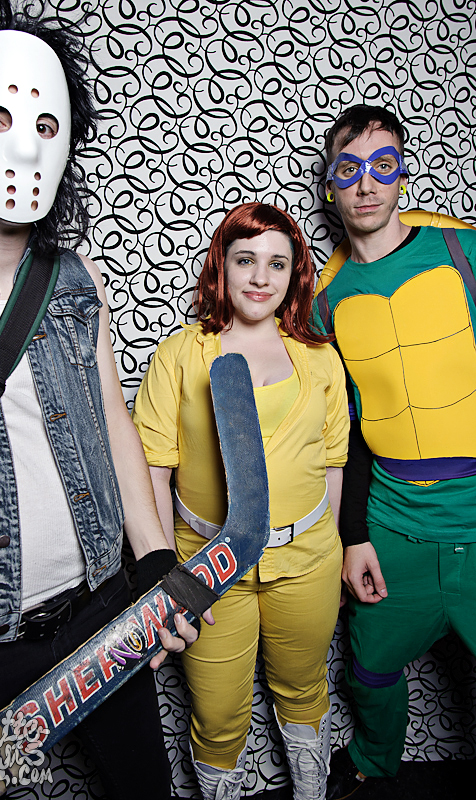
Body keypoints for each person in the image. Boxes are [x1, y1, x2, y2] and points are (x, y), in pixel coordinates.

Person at [0, 4, 208, 799]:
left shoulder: (75, 277)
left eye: (44, 124)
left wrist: (155, 565)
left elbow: (112, 421)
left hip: (100, 609)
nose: (22, 145)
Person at [132, 201, 350, 800]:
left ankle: (311, 788)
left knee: (304, 688)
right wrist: (166, 576)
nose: (260, 277)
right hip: (207, 567)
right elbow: (153, 469)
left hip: (307, 562)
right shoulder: (181, 354)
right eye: (245, 259)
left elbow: (333, 464)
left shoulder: (320, 358)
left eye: (277, 264)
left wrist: (329, 550)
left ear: (294, 274)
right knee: (217, 712)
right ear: (221, 267)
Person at [312, 104, 476, 799]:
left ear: (403, 175)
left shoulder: (462, 252)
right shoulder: (324, 300)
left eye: (384, 165)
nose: (367, 183)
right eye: (349, 169)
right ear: (330, 187)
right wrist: (353, 537)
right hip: (393, 524)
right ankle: (374, 761)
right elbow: (342, 435)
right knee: (370, 668)